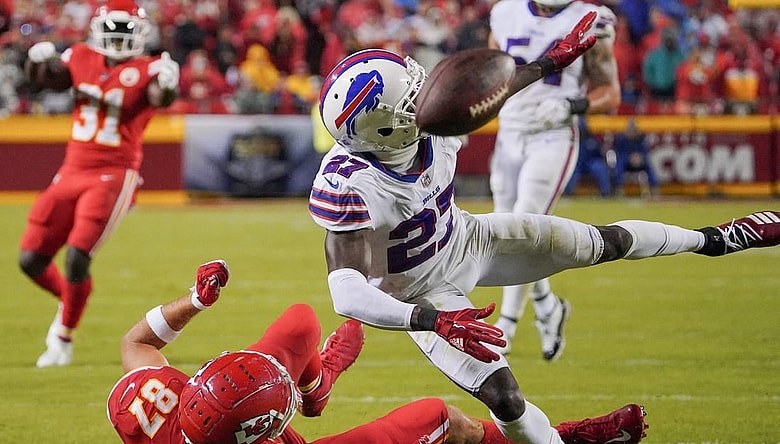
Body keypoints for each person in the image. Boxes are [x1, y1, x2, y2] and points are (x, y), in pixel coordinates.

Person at [310, 15, 780, 444]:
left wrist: (553, 60)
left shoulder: (433, 125)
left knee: (604, 241)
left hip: (470, 240)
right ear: (385, 130)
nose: (428, 97)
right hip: (421, 294)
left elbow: (494, 88)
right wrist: (431, 319)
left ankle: (715, 239)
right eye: (413, 100)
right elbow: (346, 293)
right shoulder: (350, 183)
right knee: (507, 399)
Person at [108, 259, 650, 444]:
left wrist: (196, 302)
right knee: (440, 418)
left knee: (299, 322)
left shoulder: (154, 407)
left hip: (230, 421)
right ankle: (561, 438)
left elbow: (138, 342)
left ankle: (316, 389)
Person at [19, 0, 180, 368]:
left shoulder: (149, 68)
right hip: (71, 169)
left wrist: (168, 85)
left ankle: (62, 337)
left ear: (139, 36)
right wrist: (34, 59)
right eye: (114, 32)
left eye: (126, 33)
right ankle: (70, 299)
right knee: (31, 259)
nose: (119, 40)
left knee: (77, 257)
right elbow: (45, 79)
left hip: (114, 173)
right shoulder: (80, 56)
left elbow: (159, 97)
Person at [487, 0, 621, 359]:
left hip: (553, 135)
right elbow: (490, 77)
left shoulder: (590, 19)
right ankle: (547, 304)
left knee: (522, 221)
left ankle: (507, 326)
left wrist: (571, 106)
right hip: (509, 133)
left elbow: (610, 93)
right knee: (507, 232)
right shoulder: (505, 13)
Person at [611, 118, 659, 197]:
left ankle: (654, 189)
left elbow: (645, 152)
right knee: (619, 165)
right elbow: (619, 154)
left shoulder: (641, 139)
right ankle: (618, 190)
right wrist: (630, 158)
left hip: (639, 162)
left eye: (634, 129)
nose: (632, 131)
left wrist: (640, 158)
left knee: (648, 165)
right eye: (630, 129)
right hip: (626, 162)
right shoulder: (621, 139)